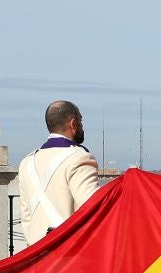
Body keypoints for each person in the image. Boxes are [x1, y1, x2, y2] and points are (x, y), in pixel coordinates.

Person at [17, 100, 101, 245]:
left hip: (36, 255)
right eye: (81, 121)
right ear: (73, 124)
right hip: (69, 255)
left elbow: (26, 217)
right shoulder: (79, 157)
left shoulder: (26, 163)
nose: (82, 126)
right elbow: (93, 208)